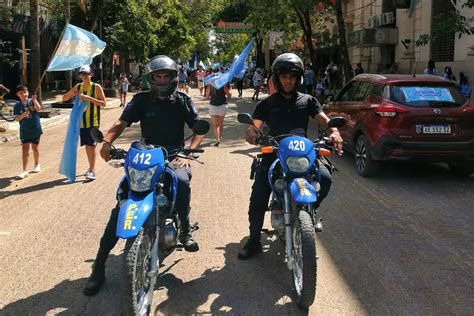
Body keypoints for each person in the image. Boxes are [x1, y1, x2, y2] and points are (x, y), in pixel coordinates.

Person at [83, 55, 204, 296]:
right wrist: (107, 141)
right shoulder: (140, 100)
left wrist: (187, 153)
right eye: (157, 77)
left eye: (165, 76)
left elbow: (198, 126)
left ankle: (184, 229)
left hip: (173, 155)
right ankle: (98, 266)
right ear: (151, 79)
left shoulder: (182, 100)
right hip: (146, 156)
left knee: (181, 181)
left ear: (172, 78)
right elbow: (121, 122)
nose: (161, 81)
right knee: (122, 205)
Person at [238, 53, 343, 260]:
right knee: (258, 195)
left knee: (326, 177)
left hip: (303, 153)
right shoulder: (267, 104)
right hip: (275, 153)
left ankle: (309, 210)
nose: (288, 80)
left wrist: (334, 132)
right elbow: (253, 128)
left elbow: (324, 121)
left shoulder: (308, 101)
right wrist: (253, 136)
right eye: (284, 76)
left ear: (299, 78)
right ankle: (254, 240)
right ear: (277, 78)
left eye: (293, 76)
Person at [62, 65, 106, 180]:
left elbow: (103, 103)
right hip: (81, 122)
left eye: (86, 74)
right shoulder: (78, 87)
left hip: (93, 122)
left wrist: (88, 98)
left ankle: (92, 170)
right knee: (87, 146)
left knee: (91, 146)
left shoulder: (96, 87)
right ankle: (90, 168)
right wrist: (72, 93)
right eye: (82, 74)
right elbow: (64, 98)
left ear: (91, 75)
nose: (84, 76)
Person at [13, 84, 42, 179]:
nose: (24, 94)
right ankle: (24, 170)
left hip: (35, 129)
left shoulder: (32, 102)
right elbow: (16, 119)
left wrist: (34, 100)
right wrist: (22, 115)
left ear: (28, 92)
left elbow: (38, 108)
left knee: (35, 148)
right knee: (25, 150)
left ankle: (37, 164)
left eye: (25, 92)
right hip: (24, 130)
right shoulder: (17, 106)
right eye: (21, 93)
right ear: (18, 94)